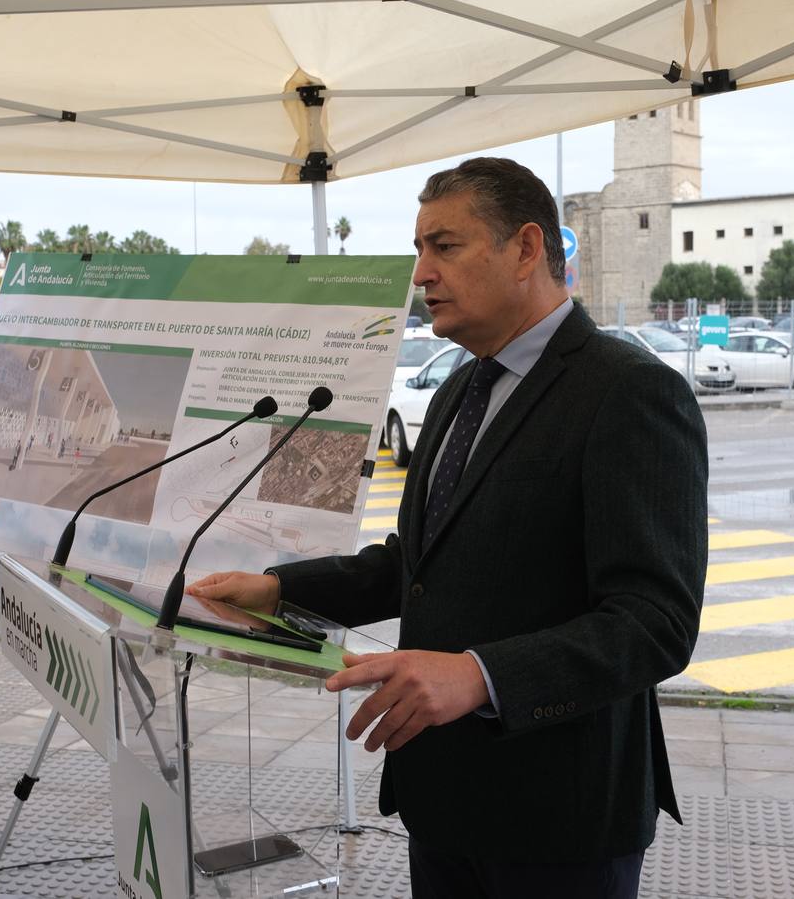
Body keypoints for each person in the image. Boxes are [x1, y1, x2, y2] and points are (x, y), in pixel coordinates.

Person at [190, 157, 708, 898]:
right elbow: (423, 559)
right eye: (418, 250)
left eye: (445, 246)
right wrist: (278, 590)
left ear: (527, 249)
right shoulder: (461, 385)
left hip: (559, 820)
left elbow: (654, 622)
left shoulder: (629, 392)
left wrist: (479, 675)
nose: (420, 274)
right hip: (443, 798)